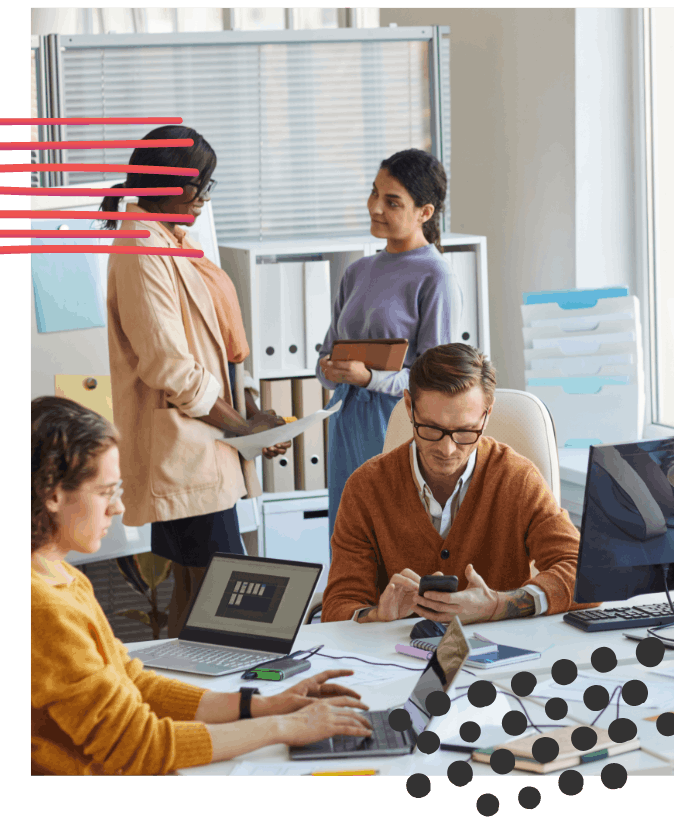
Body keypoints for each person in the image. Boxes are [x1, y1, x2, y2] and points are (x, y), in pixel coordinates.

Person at [30, 397, 370, 775]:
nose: (118, 507)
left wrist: (261, 705)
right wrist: (285, 727)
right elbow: (140, 745)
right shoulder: (42, 607)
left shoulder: (62, 577)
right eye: (105, 492)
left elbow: (135, 682)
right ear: (53, 493)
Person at [102, 125, 290, 637]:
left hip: (201, 450)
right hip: (184, 452)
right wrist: (240, 428)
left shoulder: (167, 238)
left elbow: (212, 346)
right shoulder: (143, 245)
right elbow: (169, 366)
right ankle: (212, 702)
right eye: (199, 186)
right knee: (229, 596)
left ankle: (188, 704)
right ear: (167, 184)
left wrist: (248, 416)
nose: (204, 199)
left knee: (198, 589)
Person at [322, 343, 595, 624]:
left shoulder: (517, 479)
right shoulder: (366, 488)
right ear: (408, 406)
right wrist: (376, 615)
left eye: (465, 432)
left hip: (500, 656)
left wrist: (500, 605)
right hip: (395, 658)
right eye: (431, 429)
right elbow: (338, 606)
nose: (447, 449)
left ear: (486, 416)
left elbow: (585, 575)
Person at [315, 149, 460, 537]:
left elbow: (436, 382)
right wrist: (329, 369)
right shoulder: (357, 272)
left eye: (392, 201)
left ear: (424, 213)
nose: (375, 207)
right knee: (346, 536)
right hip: (346, 420)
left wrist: (369, 379)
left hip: (395, 424)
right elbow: (326, 352)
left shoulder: (436, 278)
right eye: (374, 193)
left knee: (391, 538)